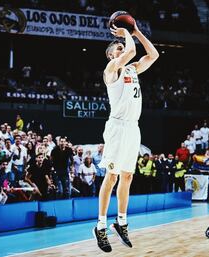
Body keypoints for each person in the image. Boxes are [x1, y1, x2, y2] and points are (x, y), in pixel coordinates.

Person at [93, 21, 159, 253]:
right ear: (111, 55)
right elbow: (131, 51)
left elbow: (153, 54)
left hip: (133, 128)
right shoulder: (111, 70)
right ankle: (100, 226)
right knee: (111, 177)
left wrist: (137, 32)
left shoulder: (132, 69)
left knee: (127, 177)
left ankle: (121, 222)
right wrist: (125, 34)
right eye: (117, 49)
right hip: (118, 128)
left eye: (121, 47)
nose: (122, 49)